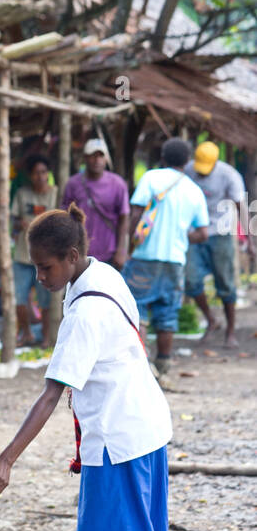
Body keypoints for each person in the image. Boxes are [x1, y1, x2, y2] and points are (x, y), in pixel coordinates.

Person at [0, 204, 172, 531]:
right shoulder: (101, 275)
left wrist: (7, 459)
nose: (40, 276)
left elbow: (52, 393)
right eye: (36, 267)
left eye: (46, 267)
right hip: (135, 430)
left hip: (121, 440)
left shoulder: (84, 312)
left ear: (71, 255)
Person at [122, 138, 209, 381]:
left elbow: (136, 213)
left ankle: (141, 365)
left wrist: (128, 245)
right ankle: (163, 366)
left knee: (137, 309)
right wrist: (180, 235)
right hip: (175, 261)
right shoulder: (194, 190)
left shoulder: (151, 178)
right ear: (187, 161)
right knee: (167, 313)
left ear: (162, 158)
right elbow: (203, 233)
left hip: (144, 257)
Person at [184, 141, 253, 347]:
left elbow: (241, 207)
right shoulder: (189, 170)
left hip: (219, 233)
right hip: (194, 233)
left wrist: (250, 240)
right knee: (191, 280)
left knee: (225, 283)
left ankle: (230, 332)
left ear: (215, 163)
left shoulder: (229, 175)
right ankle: (211, 319)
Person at [61, 139, 130, 269]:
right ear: (85, 158)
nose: (97, 160)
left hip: (109, 253)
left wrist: (121, 250)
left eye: (101, 155)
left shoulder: (117, 184)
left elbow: (124, 218)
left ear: (106, 159)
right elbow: (65, 217)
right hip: (80, 254)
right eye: (93, 155)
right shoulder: (73, 184)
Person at [11, 155, 58, 346]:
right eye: (36, 173)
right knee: (19, 299)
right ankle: (26, 333)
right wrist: (18, 224)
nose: (40, 176)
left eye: (43, 172)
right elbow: (12, 219)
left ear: (48, 174)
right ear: (30, 176)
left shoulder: (55, 193)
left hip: (47, 257)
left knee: (46, 300)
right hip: (23, 255)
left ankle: (46, 338)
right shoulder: (22, 194)